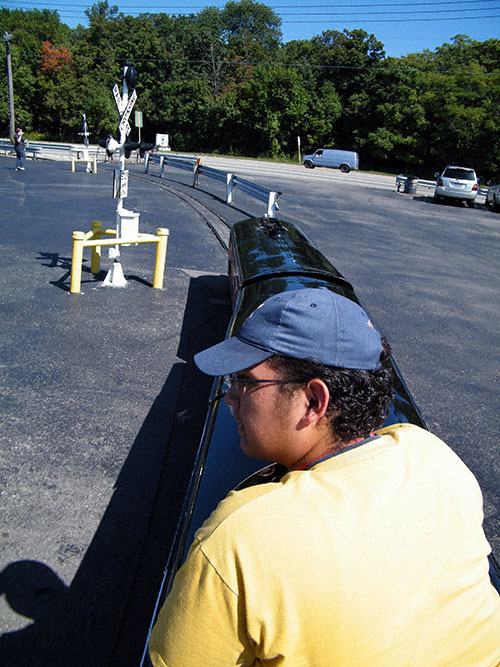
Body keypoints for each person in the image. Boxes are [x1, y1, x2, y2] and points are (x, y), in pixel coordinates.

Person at [149, 287, 500, 666]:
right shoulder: (433, 457)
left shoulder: (241, 539)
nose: (230, 397)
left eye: (245, 381)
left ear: (315, 401)